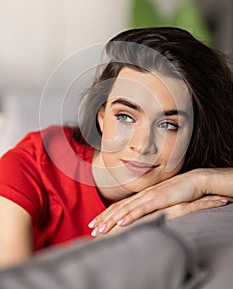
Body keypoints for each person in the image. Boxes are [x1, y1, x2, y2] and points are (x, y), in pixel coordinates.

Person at [0, 27, 232, 268]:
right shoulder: (33, 164)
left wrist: (200, 180)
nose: (141, 145)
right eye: (125, 117)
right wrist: (109, 242)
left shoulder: (187, 178)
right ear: (102, 117)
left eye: (167, 125)